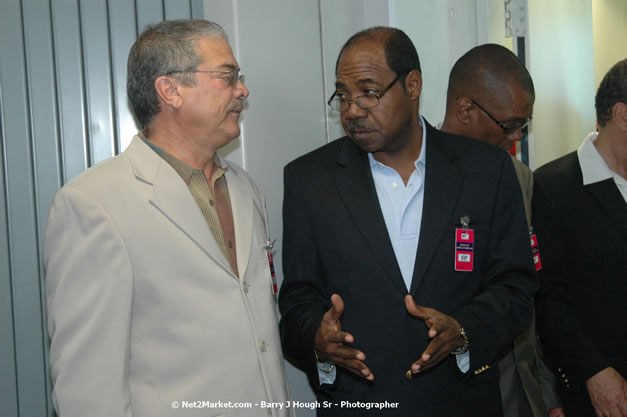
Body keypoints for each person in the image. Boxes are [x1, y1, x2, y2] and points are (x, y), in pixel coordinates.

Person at [278, 27, 537, 417]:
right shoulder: (310, 180)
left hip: (461, 402)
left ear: (412, 85)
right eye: (344, 95)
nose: (352, 110)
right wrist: (317, 336)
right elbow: (297, 298)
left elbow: (516, 287)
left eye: (368, 91)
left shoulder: (488, 171)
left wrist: (464, 330)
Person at [44, 19, 292, 417]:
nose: (242, 90)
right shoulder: (94, 205)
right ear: (170, 90)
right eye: (227, 76)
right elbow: (87, 394)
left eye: (238, 77)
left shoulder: (245, 189)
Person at [441, 44, 564, 417]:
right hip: (448, 391)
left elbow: (532, 294)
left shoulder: (521, 180)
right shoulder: (416, 177)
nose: (516, 138)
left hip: (518, 392)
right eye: (509, 125)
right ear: (465, 110)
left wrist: (548, 396)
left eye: (523, 126)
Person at [533, 58, 627, 417]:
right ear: (622, 114)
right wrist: (594, 371)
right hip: (596, 391)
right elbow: (547, 297)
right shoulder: (554, 186)